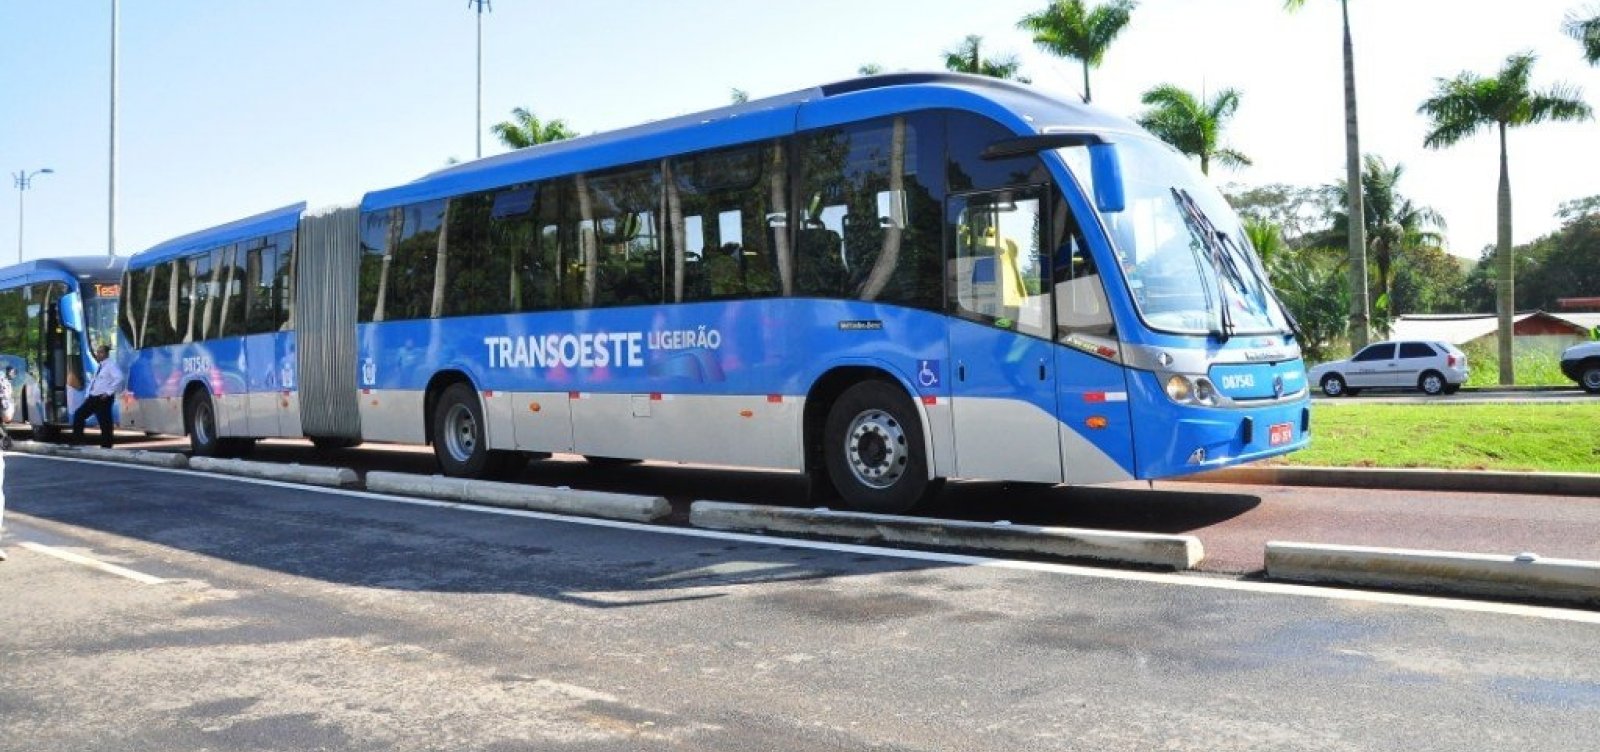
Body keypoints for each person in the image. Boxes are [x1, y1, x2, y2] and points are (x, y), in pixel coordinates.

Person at [72, 345, 124, 449]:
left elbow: (119, 378)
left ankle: (106, 445)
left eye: (101, 352)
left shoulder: (110, 365)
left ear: (106, 354)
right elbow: (93, 382)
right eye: (97, 352)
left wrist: (108, 392)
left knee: (105, 422)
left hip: (103, 398)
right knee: (78, 415)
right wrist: (88, 394)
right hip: (93, 397)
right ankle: (78, 441)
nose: (98, 354)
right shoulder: (100, 366)